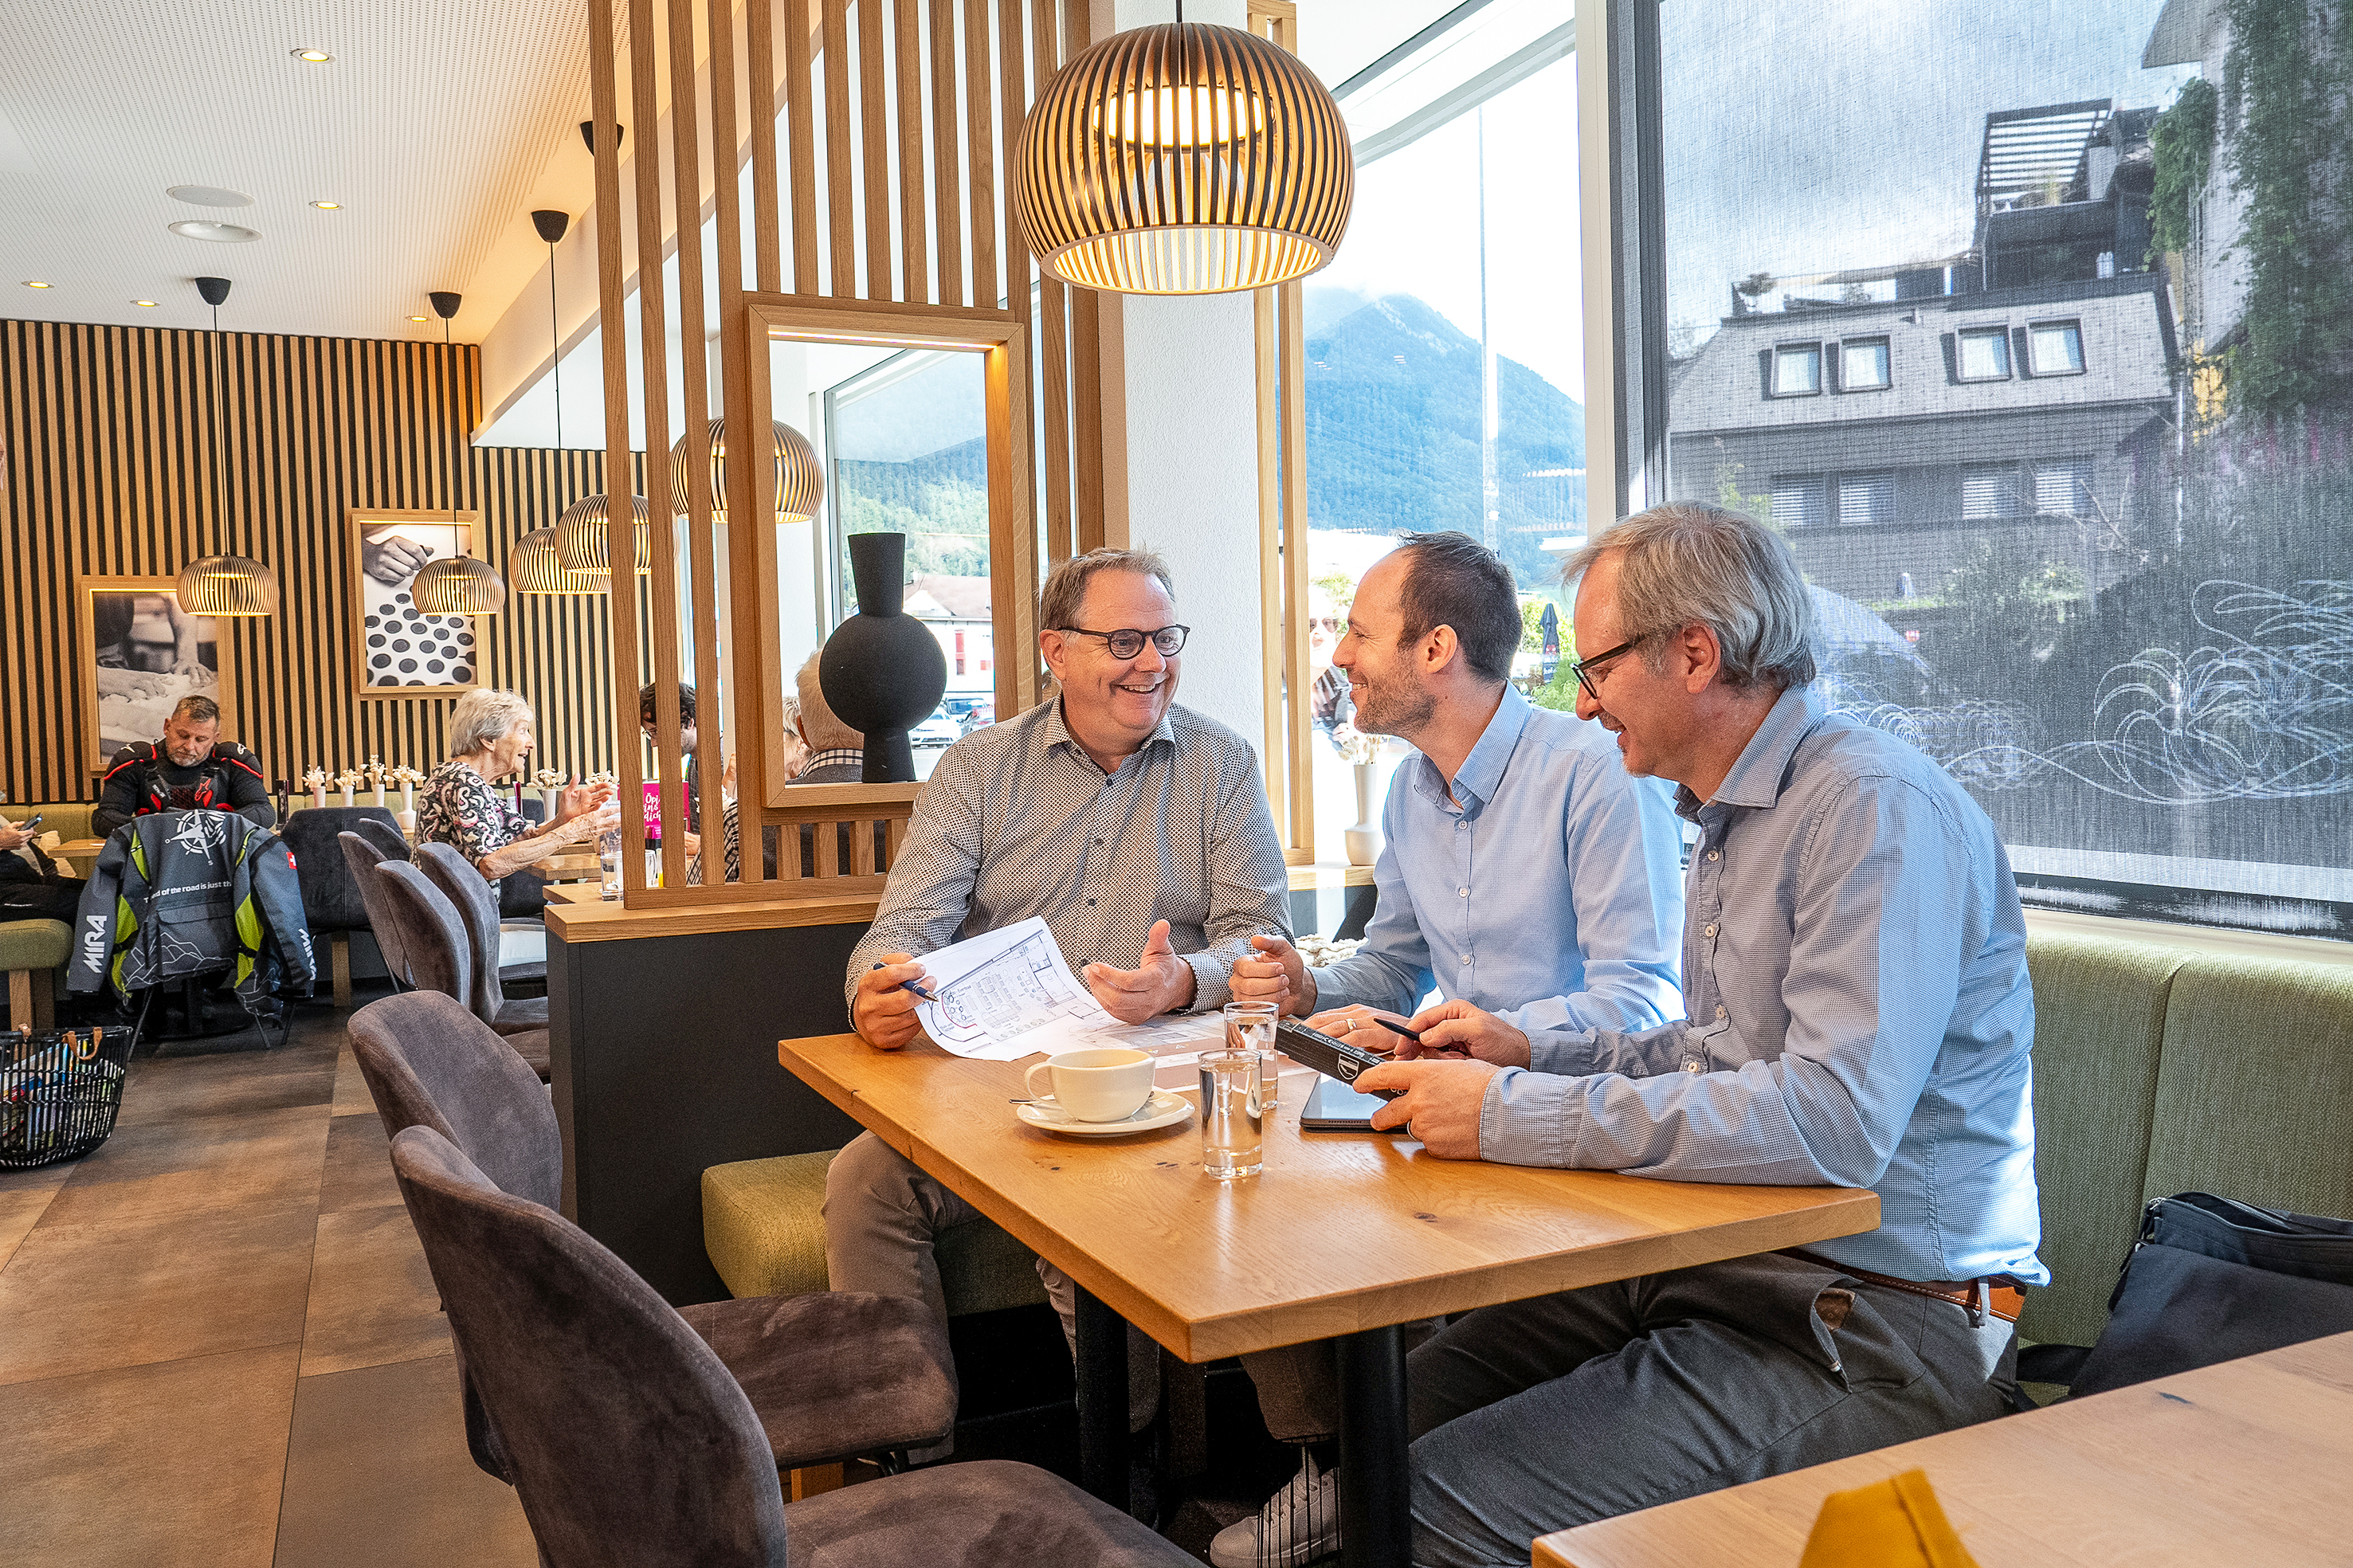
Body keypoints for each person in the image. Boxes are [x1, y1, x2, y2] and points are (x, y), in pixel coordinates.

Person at [1346, 504, 2042, 1567]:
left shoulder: (1870, 812)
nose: (1578, 704)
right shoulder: (1724, 817)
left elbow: (1834, 1122)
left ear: (1695, 653)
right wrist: (1531, 1054)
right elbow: (1713, 1053)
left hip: (1876, 1320)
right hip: (1717, 1265)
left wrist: (1512, 1117)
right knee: (1384, 1421)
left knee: (1424, 1501)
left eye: (1596, 670)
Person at [1213, 531, 1686, 1568]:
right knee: (1257, 1210)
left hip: (1574, 1133)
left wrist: (1516, 1037)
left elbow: (1649, 1001)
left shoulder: (1597, 773)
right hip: (1455, 1113)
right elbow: (1393, 966)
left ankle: (1357, 1505)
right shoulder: (1410, 793)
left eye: (1356, 631)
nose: (1337, 654)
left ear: (1435, 649)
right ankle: (1335, 1484)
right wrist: (1313, 989)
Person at [829, 547, 1291, 1453]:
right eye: (1123, 640)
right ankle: (906, 1456)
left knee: (1094, 1212)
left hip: (1160, 1081)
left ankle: (1128, 1463)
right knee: (863, 1184)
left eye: (1164, 637)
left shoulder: (1221, 764)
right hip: (998, 1081)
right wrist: (872, 991)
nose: (1151, 662)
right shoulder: (979, 768)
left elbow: (1261, 936)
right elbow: (903, 926)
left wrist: (1181, 980)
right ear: (1057, 650)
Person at [417, 688, 616, 907]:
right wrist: (574, 831)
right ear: (489, 739)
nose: (530, 743)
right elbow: (491, 865)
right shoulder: (463, 782)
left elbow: (522, 837)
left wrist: (563, 820)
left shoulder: (461, 777)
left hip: (455, 920)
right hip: (459, 926)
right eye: (523, 731)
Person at [92, 695, 273, 839]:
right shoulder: (136, 761)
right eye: (183, 735)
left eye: (201, 739)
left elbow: (264, 812)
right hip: (153, 867)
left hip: (221, 866)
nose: (189, 746)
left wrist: (213, 824)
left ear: (215, 737)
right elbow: (103, 819)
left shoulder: (231, 761)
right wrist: (153, 828)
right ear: (167, 726)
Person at [0, 817, 84, 924]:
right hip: (5, 891)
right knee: (78, 902)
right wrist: (2, 841)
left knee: (97, 890)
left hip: (24, 878)